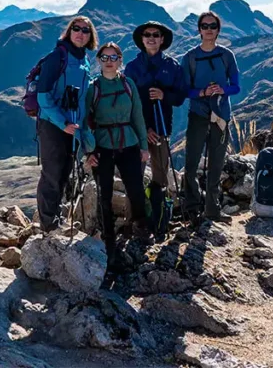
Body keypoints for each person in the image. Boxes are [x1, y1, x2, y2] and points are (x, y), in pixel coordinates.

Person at [83, 42, 153, 263]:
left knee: (136, 189)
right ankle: (109, 237)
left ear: (120, 60)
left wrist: (144, 146)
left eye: (113, 57)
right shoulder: (93, 88)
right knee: (104, 194)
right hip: (102, 146)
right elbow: (84, 122)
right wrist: (88, 152)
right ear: (98, 61)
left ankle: (140, 225)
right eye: (104, 57)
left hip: (128, 143)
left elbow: (138, 117)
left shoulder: (128, 84)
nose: (109, 61)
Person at [35, 15, 97, 232]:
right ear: (69, 32)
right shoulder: (57, 57)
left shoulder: (84, 60)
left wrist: (81, 131)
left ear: (90, 36)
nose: (80, 33)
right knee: (52, 173)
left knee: (64, 173)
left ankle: (56, 219)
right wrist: (62, 123)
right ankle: (48, 225)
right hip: (53, 125)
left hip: (73, 127)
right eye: (76, 29)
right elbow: (43, 97)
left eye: (85, 30)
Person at [181, 10, 240, 225]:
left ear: (218, 30)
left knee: (216, 163)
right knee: (191, 162)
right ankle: (192, 210)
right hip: (198, 114)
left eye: (212, 26)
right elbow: (184, 90)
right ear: (199, 30)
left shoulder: (227, 55)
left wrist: (222, 89)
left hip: (221, 115)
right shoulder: (189, 57)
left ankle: (212, 210)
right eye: (204, 26)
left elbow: (236, 86)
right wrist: (202, 93)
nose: (208, 29)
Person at [124, 20, 187, 193]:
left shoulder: (172, 66)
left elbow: (180, 97)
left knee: (160, 177)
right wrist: (144, 129)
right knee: (135, 176)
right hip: (137, 131)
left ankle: (157, 208)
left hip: (161, 129)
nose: (151, 38)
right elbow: (127, 102)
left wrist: (164, 95)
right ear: (142, 39)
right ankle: (135, 210)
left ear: (162, 39)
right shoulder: (132, 68)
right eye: (147, 35)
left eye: (155, 35)